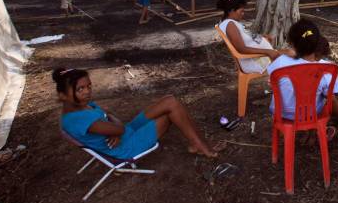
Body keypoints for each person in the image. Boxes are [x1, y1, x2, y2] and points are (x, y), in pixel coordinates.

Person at [54, 67, 217, 159]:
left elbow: (109, 115)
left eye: (89, 86)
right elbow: (118, 127)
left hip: (126, 133)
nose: (87, 92)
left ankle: (197, 142)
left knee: (170, 100)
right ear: (62, 95)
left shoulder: (82, 104)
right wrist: (116, 129)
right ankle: (200, 145)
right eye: (80, 89)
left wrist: (114, 128)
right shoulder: (77, 120)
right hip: (127, 147)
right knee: (170, 113)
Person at [267, 19, 338, 128]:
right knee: (329, 98)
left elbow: (271, 83)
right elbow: (330, 98)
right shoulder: (328, 69)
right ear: (317, 43)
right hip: (310, 115)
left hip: (281, 114)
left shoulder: (280, 62)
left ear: (292, 44)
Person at [216, 0, 280, 73]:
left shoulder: (230, 23)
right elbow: (241, 49)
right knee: (291, 61)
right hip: (255, 62)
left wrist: (262, 37)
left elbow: (245, 38)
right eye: (241, 11)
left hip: (259, 58)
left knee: (290, 56)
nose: (243, 14)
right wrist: (268, 51)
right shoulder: (230, 25)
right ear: (232, 10)